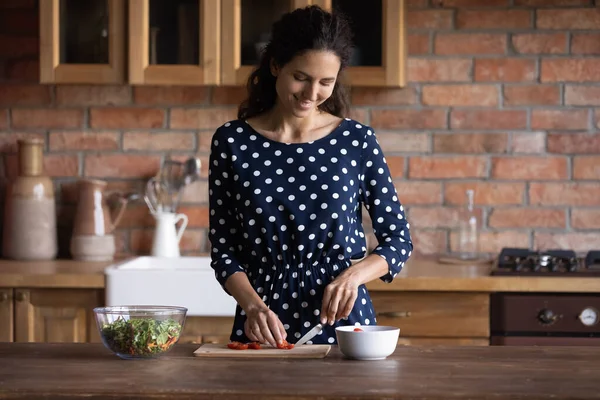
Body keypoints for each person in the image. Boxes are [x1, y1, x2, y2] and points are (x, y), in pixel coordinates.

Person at [208, 5, 413, 348]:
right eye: (301, 77)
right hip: (264, 324)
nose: (311, 93)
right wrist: (252, 306)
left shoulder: (356, 141)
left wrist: (352, 277)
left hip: (343, 321)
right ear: (275, 66)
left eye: (325, 82)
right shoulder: (232, 141)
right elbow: (225, 251)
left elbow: (398, 241)